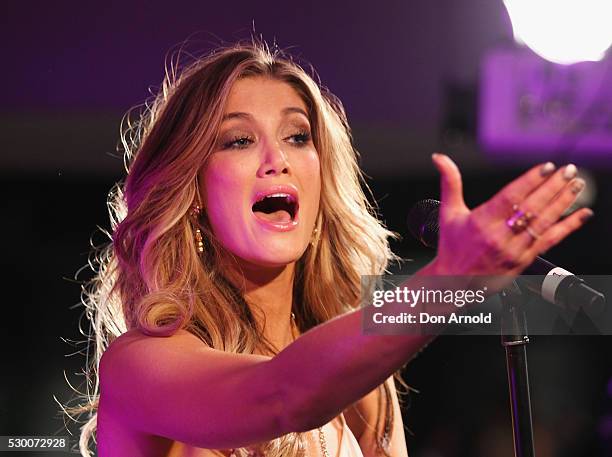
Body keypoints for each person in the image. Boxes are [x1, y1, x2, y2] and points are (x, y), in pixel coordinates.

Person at [71, 39, 593, 457]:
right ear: (195, 197)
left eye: (299, 137)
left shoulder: (364, 391)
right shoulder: (138, 365)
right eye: (238, 140)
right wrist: (449, 280)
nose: (277, 159)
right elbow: (281, 395)